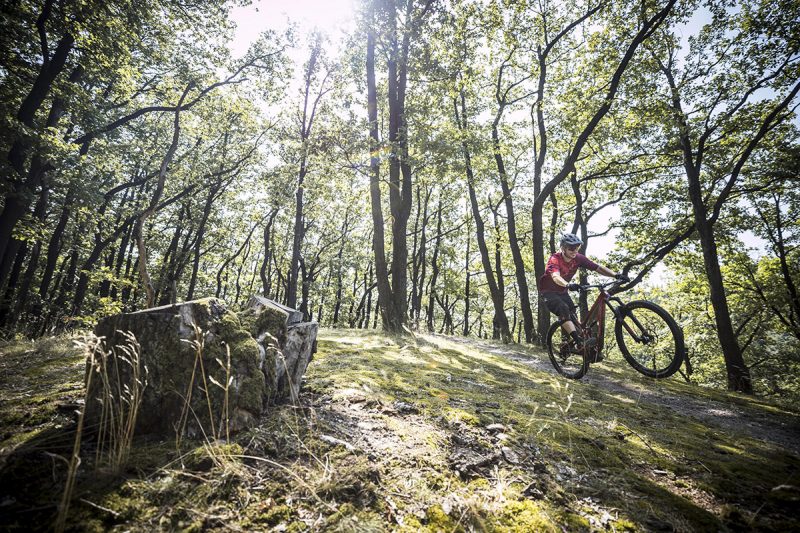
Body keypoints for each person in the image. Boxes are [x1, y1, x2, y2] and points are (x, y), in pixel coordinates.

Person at [538, 233, 627, 355]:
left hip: (563, 292)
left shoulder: (578, 258)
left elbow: (598, 268)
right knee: (563, 309)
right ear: (563, 248)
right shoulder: (555, 259)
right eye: (571, 248)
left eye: (577, 248)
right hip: (548, 292)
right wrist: (568, 285)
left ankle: (571, 345)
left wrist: (616, 275)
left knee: (573, 316)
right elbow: (555, 276)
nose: (574, 251)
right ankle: (579, 342)